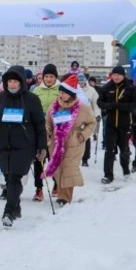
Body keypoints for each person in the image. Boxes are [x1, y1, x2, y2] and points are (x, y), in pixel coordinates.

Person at [0, 65, 47, 227]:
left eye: (15, 82)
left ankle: (8, 212)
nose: (12, 84)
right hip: (3, 143)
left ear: (22, 82)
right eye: (9, 81)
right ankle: (16, 206)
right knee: (8, 177)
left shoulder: (32, 99)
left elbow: (40, 124)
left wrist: (42, 146)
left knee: (14, 178)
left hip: (25, 145)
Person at [43, 75, 95, 206]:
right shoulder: (54, 106)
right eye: (60, 92)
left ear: (71, 94)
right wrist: (48, 133)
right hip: (56, 142)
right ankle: (62, 194)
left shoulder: (82, 107)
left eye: (64, 92)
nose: (61, 95)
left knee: (69, 169)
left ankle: (65, 198)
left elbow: (92, 123)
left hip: (74, 143)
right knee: (58, 169)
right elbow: (48, 122)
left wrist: (82, 136)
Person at [97, 65, 136, 184]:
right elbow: (99, 102)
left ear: (123, 76)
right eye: (114, 75)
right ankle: (108, 175)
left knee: (124, 150)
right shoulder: (106, 87)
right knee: (109, 150)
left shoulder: (130, 88)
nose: (116, 77)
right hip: (110, 124)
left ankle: (126, 170)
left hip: (125, 124)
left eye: (119, 75)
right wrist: (109, 106)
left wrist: (121, 106)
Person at [32, 64, 60, 201]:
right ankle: (39, 189)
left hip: (56, 130)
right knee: (39, 159)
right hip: (40, 129)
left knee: (54, 159)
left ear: (55, 77)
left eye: (51, 76)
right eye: (46, 76)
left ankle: (56, 184)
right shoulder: (37, 90)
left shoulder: (61, 90)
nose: (49, 79)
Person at [79, 73, 100, 167]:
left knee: (86, 137)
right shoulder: (74, 89)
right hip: (76, 117)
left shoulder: (91, 91)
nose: (81, 84)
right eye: (79, 82)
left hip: (87, 117)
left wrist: (97, 114)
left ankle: (85, 158)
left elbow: (96, 104)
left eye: (82, 82)